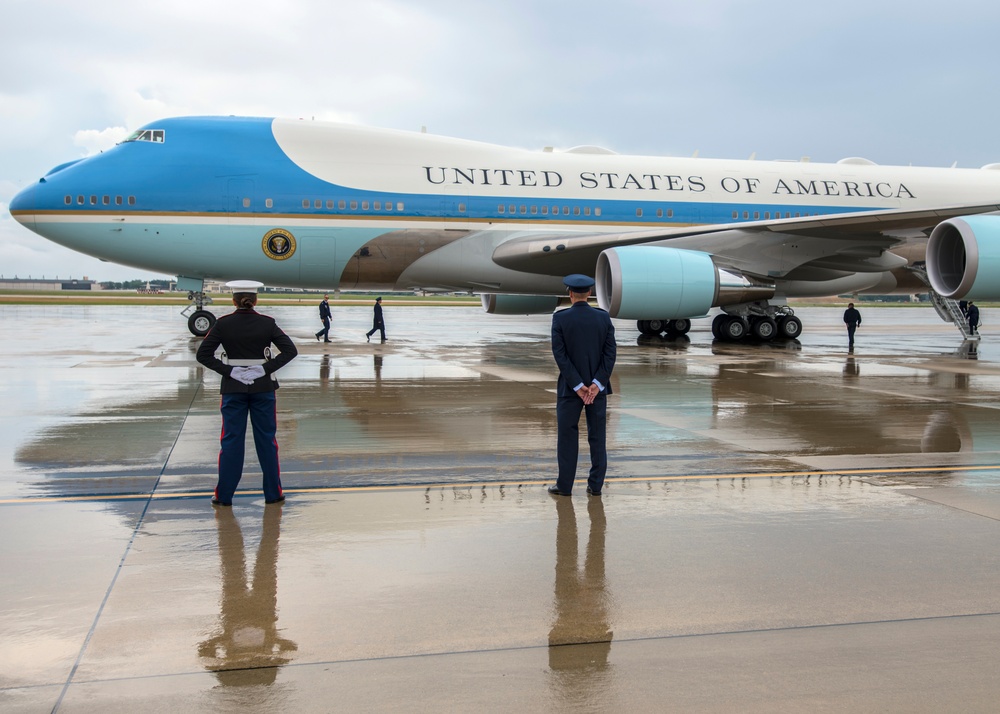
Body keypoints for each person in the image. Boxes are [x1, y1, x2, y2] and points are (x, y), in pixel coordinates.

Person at [196, 280, 298, 506]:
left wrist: (230, 371)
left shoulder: (223, 324)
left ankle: (224, 496)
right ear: (255, 300)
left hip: (234, 389)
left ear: (233, 300)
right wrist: (263, 369)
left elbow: (203, 355)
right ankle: (273, 494)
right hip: (263, 387)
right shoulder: (267, 324)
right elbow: (291, 350)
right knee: (267, 442)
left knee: (231, 441)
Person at [548, 274, 617, 497]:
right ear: (589, 293)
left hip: (570, 390)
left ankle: (565, 486)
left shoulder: (560, 319)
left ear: (569, 293)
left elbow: (560, 356)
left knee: (567, 437)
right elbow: (610, 354)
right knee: (597, 437)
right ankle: (595, 486)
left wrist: (578, 385)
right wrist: (597, 384)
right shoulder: (603, 318)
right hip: (598, 390)